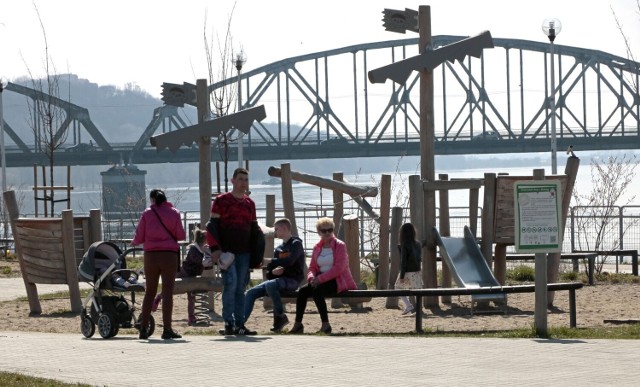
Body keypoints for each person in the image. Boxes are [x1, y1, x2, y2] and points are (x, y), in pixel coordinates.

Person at [206, 167, 258, 336]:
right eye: (240, 179)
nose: (243, 183)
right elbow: (212, 226)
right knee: (231, 284)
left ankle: (240, 324)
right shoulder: (221, 201)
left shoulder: (250, 204)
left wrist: (257, 254)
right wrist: (215, 249)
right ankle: (228, 322)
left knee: (241, 287)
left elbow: (254, 230)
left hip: (245, 252)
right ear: (233, 181)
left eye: (246, 180)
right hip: (226, 253)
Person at [131, 189, 186, 340]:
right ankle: (167, 329)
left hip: (151, 256)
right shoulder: (174, 212)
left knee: (150, 291)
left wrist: (133, 243)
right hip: (169, 256)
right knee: (167, 292)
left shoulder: (147, 213)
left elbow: (139, 236)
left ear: (153, 200)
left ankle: (143, 328)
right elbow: (181, 235)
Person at [290, 217, 357, 334]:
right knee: (302, 292)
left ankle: (325, 324)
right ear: (319, 232)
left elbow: (339, 268)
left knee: (317, 291)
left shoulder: (340, 245)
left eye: (330, 230)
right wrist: (311, 278)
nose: (327, 233)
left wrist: (319, 279)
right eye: (324, 231)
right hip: (320, 279)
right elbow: (312, 267)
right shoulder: (317, 247)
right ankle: (298, 324)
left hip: (337, 280)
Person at [243, 218, 305, 332]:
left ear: (285, 228)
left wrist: (270, 261)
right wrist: (273, 272)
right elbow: (270, 274)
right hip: (277, 282)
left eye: (276, 229)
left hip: (293, 280)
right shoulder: (279, 248)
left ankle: (280, 317)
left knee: (270, 285)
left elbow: (290, 261)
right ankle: (240, 324)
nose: (275, 232)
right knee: (250, 293)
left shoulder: (296, 244)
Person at [151, 228, 212, 325]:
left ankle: (191, 317)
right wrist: (208, 259)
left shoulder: (202, 249)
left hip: (193, 275)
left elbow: (204, 266)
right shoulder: (194, 249)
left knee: (191, 297)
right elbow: (199, 261)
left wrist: (210, 261)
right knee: (172, 288)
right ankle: (158, 297)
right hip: (185, 273)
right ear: (204, 239)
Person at [395, 222, 423, 316]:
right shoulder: (418, 244)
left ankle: (408, 305)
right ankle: (419, 310)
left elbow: (404, 262)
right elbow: (418, 258)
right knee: (417, 291)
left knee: (397, 287)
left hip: (407, 271)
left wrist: (402, 276)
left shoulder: (404, 244)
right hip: (417, 271)